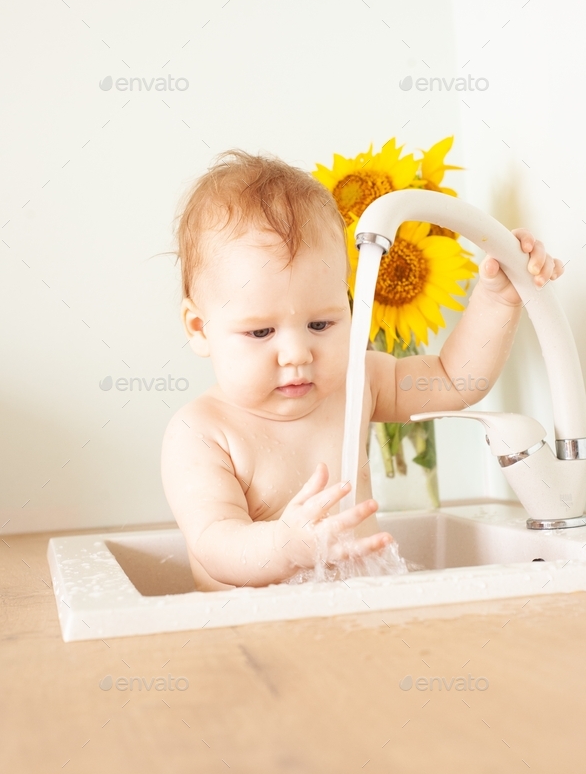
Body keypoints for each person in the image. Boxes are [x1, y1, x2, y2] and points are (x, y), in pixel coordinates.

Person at [161, 150, 564, 591]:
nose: (297, 353)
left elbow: (453, 380)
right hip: (252, 639)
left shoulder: (357, 381)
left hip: (354, 620)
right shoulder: (201, 432)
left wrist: (498, 299)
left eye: (321, 324)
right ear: (200, 328)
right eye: (260, 332)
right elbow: (213, 543)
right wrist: (288, 545)